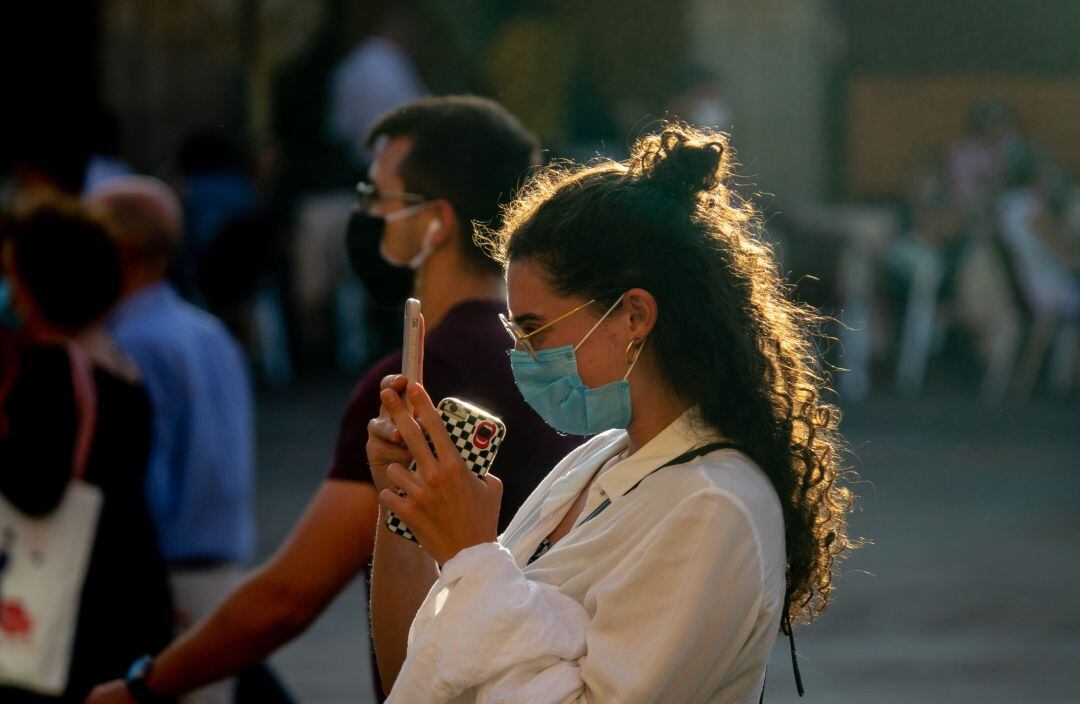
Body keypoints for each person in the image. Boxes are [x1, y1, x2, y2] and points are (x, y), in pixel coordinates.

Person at [85, 95, 582, 704]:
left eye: (378, 198)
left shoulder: (417, 379)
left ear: (435, 223)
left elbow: (288, 598)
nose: (364, 215)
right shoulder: (546, 356)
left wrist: (141, 687)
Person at [365, 124, 857, 702]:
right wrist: (405, 510)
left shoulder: (714, 507)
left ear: (634, 317)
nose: (520, 355)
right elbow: (423, 673)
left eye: (534, 329)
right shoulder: (596, 461)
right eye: (514, 329)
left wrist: (470, 552)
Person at [83, 176, 255, 704]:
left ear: (121, 252)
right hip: (221, 575)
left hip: (164, 584)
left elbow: (142, 484)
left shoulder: (130, 344)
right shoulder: (205, 330)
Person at [0, 199, 172, 703]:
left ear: (38, 284)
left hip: (70, 612)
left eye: (12, 274)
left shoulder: (49, 369)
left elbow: (36, 488)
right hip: (127, 595)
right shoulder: (117, 361)